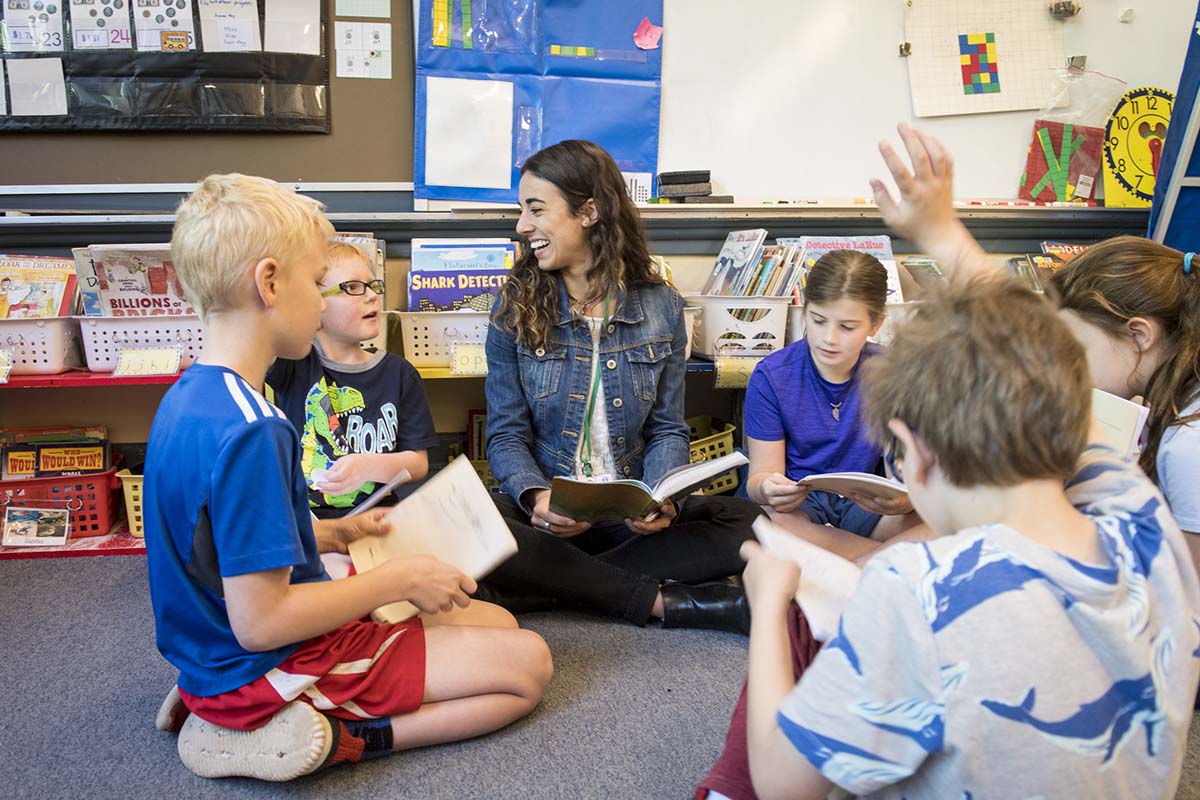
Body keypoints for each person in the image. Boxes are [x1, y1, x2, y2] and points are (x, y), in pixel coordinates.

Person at [144, 173, 552, 782]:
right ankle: (336, 734)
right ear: (270, 282)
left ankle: (219, 704)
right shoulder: (257, 429)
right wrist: (397, 577)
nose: (320, 302)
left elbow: (217, 540)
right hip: (267, 664)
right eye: (315, 283)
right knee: (530, 665)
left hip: (212, 651)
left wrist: (335, 535)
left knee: (496, 620)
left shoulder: (193, 397)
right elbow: (263, 622)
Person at [737, 276, 1200, 800]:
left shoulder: (915, 586)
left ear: (913, 447)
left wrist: (770, 606)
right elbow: (1041, 362)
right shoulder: (1142, 514)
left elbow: (780, 785)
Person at [870, 123, 1200, 575]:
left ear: (1140, 334)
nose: (1060, 358)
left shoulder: (1189, 446)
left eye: (1073, 345)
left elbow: (1184, 603)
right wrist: (942, 233)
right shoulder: (1150, 455)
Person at [480, 139, 762, 632]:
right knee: (471, 521)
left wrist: (660, 497)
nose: (522, 226)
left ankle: (547, 588)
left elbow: (669, 429)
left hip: (626, 525)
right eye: (522, 210)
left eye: (535, 209)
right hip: (549, 520)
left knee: (749, 522)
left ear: (588, 211)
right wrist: (539, 500)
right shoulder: (513, 311)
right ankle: (665, 602)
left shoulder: (663, 308)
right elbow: (505, 436)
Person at [743, 249, 921, 563]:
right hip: (799, 509)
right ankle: (876, 562)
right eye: (818, 320)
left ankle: (847, 560)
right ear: (805, 311)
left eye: (848, 327)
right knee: (764, 524)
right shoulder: (772, 376)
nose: (829, 338)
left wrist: (906, 501)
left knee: (939, 521)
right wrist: (769, 489)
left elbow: (912, 475)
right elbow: (760, 478)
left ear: (876, 323)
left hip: (865, 505)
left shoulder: (895, 373)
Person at [267, 241, 438, 518]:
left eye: (373, 285)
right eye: (353, 288)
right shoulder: (294, 364)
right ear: (315, 304)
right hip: (310, 524)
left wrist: (368, 466)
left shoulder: (399, 373)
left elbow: (417, 463)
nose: (371, 296)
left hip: (379, 517)